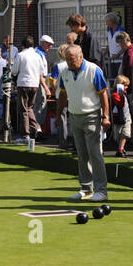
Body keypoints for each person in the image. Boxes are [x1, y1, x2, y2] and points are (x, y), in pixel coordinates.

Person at [55, 43, 111, 203]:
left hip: (92, 115)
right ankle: (86, 188)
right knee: (82, 154)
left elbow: (103, 95)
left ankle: (101, 190)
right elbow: (63, 95)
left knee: (95, 153)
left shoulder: (94, 70)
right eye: (67, 59)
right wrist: (59, 116)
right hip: (74, 115)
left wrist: (105, 116)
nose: (69, 62)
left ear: (80, 57)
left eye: (71, 59)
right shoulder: (64, 71)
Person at [12, 36, 46, 143]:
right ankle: (37, 128)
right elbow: (43, 72)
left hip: (23, 83)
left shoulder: (21, 55)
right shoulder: (37, 56)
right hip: (34, 84)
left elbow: (14, 71)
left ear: (23, 45)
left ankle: (25, 135)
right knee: (29, 108)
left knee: (23, 109)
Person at [110, 75, 132, 158]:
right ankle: (120, 149)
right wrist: (121, 96)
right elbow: (120, 104)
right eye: (125, 85)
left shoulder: (125, 95)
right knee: (119, 134)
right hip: (119, 118)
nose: (126, 87)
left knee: (124, 134)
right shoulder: (115, 95)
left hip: (126, 118)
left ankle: (121, 149)